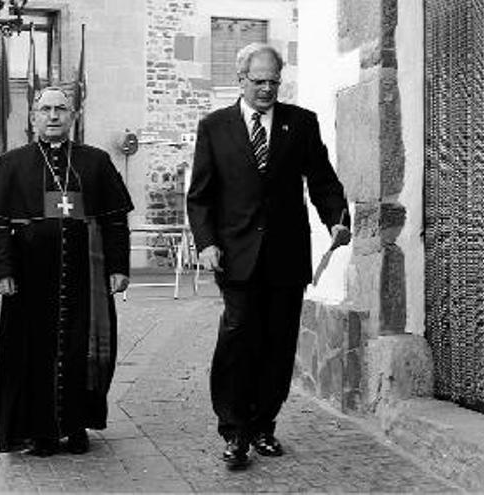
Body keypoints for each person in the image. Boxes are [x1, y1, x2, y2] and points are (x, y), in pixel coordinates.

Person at [186, 43, 351, 469]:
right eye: (258, 82)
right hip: (235, 255)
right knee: (237, 341)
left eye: (273, 82)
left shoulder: (301, 123)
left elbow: (322, 181)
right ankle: (234, 431)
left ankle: (263, 427)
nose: (266, 89)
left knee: (278, 344)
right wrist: (206, 243)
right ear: (240, 80)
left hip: (285, 256)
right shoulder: (214, 127)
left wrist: (337, 218)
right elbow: (200, 197)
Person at [0, 86, 133, 457]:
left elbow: (114, 221)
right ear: (33, 117)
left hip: (86, 278)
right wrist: (1, 272)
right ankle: (39, 431)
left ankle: (77, 427)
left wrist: (118, 267)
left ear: (73, 116)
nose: (54, 116)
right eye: (45, 109)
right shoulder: (12, 164)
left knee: (82, 351)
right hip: (30, 279)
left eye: (61, 109)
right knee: (33, 353)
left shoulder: (96, 162)